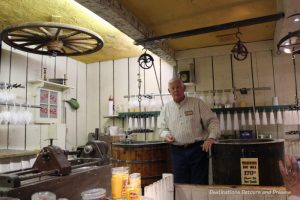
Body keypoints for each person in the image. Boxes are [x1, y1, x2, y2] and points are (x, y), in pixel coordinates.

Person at [159, 78, 220, 184]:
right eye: (172, 88)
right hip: (177, 152)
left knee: (199, 184)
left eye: (178, 87)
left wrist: (211, 138)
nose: (176, 90)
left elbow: (212, 121)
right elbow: (161, 128)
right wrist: (166, 135)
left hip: (198, 151)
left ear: (184, 88)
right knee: (180, 185)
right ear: (169, 91)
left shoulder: (197, 103)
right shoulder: (166, 108)